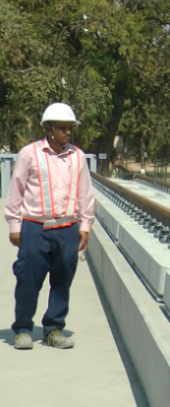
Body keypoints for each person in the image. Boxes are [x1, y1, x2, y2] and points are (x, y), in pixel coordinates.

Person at [4, 102, 95, 349]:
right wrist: (14, 225)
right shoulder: (29, 154)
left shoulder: (77, 157)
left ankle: (53, 329)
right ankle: (23, 328)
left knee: (63, 280)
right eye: (63, 128)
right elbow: (16, 192)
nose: (68, 132)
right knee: (28, 279)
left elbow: (86, 194)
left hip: (67, 229)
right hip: (35, 228)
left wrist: (85, 226)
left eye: (70, 128)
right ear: (49, 127)